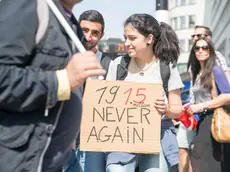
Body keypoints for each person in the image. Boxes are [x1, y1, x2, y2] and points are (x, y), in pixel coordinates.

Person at [0, 0, 106, 172]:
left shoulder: (70, 25)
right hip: (21, 161)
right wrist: (62, 81)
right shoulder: (27, 5)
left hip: (54, 159)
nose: (89, 36)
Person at [105, 13, 184, 172]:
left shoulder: (166, 67)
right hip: (123, 139)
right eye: (125, 37)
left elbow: (178, 109)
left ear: (149, 39)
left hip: (157, 138)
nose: (127, 43)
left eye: (132, 38)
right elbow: (106, 104)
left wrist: (166, 109)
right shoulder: (118, 65)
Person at [177, 25, 230, 172]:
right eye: (197, 48)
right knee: (200, 160)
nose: (200, 50)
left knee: (207, 162)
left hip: (213, 119)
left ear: (210, 50)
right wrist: (189, 107)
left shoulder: (215, 69)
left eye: (205, 47)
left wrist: (201, 106)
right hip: (200, 120)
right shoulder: (198, 71)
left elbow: (228, 95)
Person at [66, 10, 111, 172]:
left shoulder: (109, 65)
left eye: (95, 33)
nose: (88, 36)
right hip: (66, 134)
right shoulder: (64, 57)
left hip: (95, 137)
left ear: (101, 35)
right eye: (84, 30)